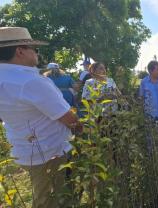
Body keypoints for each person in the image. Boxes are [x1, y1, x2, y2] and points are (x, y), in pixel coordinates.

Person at [0, 27, 82, 208]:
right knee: (55, 199)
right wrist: (83, 134)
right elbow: (68, 118)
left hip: (24, 151)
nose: (37, 53)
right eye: (34, 49)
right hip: (50, 152)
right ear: (19, 51)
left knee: (43, 194)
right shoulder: (31, 80)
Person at [139, 60, 158, 157]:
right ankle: (151, 151)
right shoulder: (144, 82)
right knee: (150, 133)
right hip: (150, 112)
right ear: (151, 71)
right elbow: (141, 97)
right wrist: (142, 110)